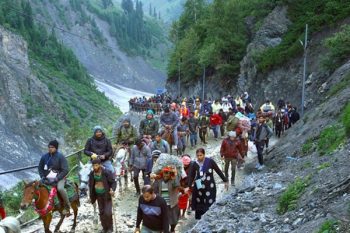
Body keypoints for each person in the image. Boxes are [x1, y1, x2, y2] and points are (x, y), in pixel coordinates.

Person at [188, 148, 228, 220]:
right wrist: (188, 186)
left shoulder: (210, 162)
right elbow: (191, 175)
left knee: (209, 200)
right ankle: (200, 218)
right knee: (199, 200)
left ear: (204, 154)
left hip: (209, 185)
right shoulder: (195, 164)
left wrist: (225, 180)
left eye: (201, 155)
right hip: (199, 185)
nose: (199, 157)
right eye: (198, 155)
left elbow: (218, 171)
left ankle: (209, 217)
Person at [38, 140, 70, 216]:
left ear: (56, 148)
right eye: (49, 147)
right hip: (47, 177)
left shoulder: (60, 156)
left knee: (60, 189)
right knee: (38, 188)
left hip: (59, 177)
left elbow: (65, 170)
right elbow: (40, 168)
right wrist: (42, 176)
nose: (50, 148)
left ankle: (67, 206)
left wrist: (57, 178)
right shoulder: (44, 157)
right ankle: (41, 208)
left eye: (52, 147)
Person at [88, 159, 116, 233]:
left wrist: (112, 190)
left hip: (106, 194)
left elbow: (113, 182)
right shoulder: (92, 173)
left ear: (100, 165)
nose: (95, 167)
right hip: (98, 195)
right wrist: (90, 195)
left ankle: (110, 228)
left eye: (96, 165)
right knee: (101, 212)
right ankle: (104, 228)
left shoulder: (106, 172)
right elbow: (90, 185)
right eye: (93, 165)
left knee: (108, 212)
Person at [153, 167, 180, 233]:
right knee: (161, 219)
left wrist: (175, 175)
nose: (166, 175)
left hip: (172, 204)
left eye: (168, 173)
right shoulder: (158, 180)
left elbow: (177, 185)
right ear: (162, 173)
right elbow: (154, 190)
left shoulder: (173, 180)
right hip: (162, 204)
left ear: (170, 174)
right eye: (164, 173)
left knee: (174, 219)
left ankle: (172, 229)